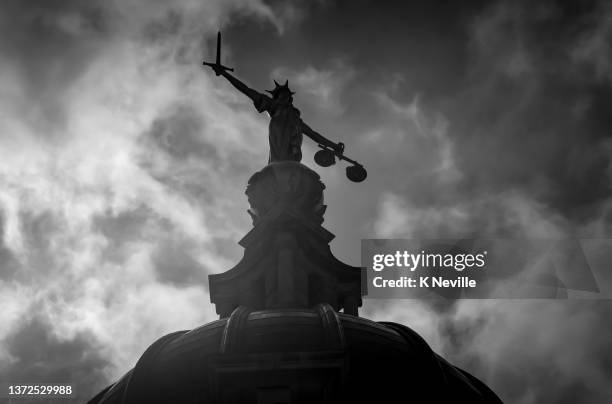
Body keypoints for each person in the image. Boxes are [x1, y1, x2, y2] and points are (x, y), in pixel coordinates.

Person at [209, 65, 344, 163]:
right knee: (278, 165)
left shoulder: (297, 120)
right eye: (281, 95)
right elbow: (246, 90)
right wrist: (225, 74)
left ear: (290, 99)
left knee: (292, 168)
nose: (284, 97)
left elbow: (315, 135)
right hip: (278, 147)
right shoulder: (273, 106)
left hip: (293, 154)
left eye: (286, 95)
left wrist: (334, 146)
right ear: (276, 98)